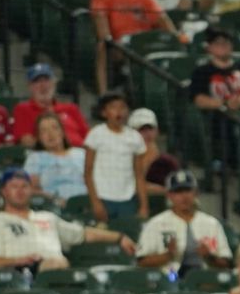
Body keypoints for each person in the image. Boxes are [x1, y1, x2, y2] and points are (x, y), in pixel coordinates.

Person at [0, 168, 136, 271]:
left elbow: (82, 234)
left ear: (31, 190)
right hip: (18, 275)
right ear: (4, 191)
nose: (20, 191)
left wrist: (119, 237)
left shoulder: (47, 217)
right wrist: (19, 260)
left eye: (24, 186)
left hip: (56, 273)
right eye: (14, 186)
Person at [136, 170, 232, 279]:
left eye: (187, 190)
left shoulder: (212, 224)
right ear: (169, 195)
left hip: (205, 280)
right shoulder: (156, 224)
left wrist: (209, 257)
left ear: (196, 193)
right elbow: (141, 262)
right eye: (178, 191)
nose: (184, 196)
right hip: (169, 280)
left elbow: (226, 263)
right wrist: (168, 255)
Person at [190, 27, 240, 162]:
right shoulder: (202, 71)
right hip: (219, 119)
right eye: (217, 43)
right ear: (209, 48)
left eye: (225, 43)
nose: (222, 46)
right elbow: (199, 99)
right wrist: (225, 103)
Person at [90, 0, 180, 94]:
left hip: (146, 44)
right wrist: (116, 44)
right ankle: (104, 94)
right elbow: (104, 35)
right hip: (120, 47)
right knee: (102, 46)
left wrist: (176, 38)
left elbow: (164, 21)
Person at [84, 91, 149, 223]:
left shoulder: (135, 138)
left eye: (122, 107)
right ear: (104, 112)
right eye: (113, 107)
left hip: (127, 199)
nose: (119, 112)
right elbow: (88, 173)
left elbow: (139, 175)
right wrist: (95, 202)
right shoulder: (96, 134)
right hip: (102, 197)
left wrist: (144, 206)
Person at [13, 63, 91, 149]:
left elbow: (89, 137)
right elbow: (26, 141)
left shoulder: (71, 108)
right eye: (37, 81)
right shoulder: (23, 109)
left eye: (46, 80)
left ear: (54, 83)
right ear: (29, 86)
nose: (43, 85)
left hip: (81, 152)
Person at [24, 113, 88, 207]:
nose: (50, 134)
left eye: (54, 128)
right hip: (53, 205)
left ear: (62, 132)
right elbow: (31, 189)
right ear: (39, 138)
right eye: (44, 130)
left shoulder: (82, 153)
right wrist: (55, 200)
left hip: (87, 202)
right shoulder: (35, 158)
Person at [130, 108, 181, 197]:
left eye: (150, 129)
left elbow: (179, 191)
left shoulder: (168, 162)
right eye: (141, 130)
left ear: (157, 131)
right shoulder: (124, 160)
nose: (147, 133)